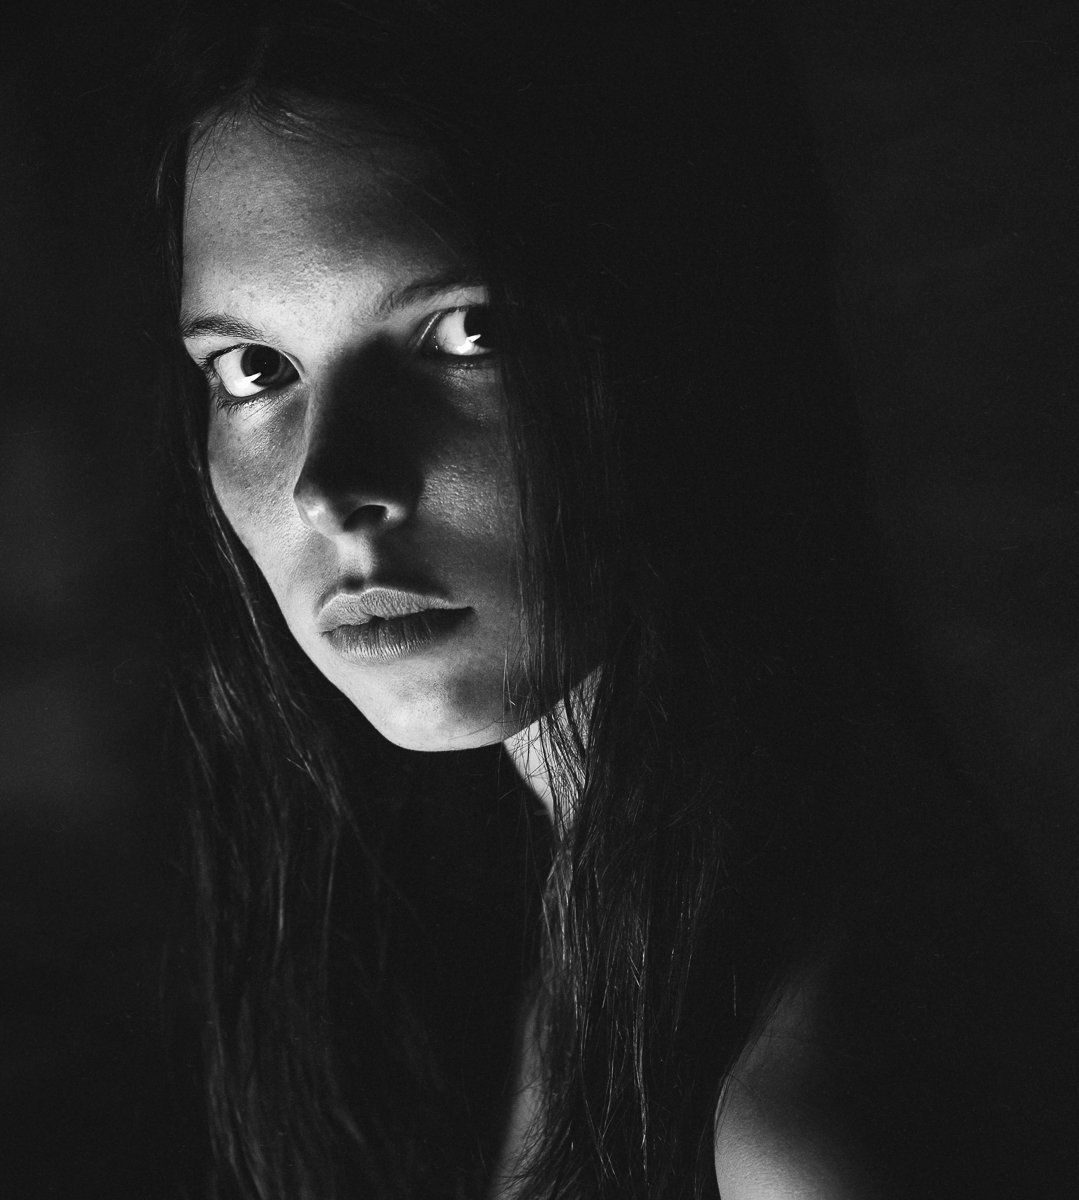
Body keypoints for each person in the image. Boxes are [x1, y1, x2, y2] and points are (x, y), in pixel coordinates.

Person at [150, 2, 1079, 1197]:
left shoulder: (805, 1123)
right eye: (252, 369)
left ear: (695, 335)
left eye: (468, 331)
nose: (331, 484)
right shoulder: (588, 920)